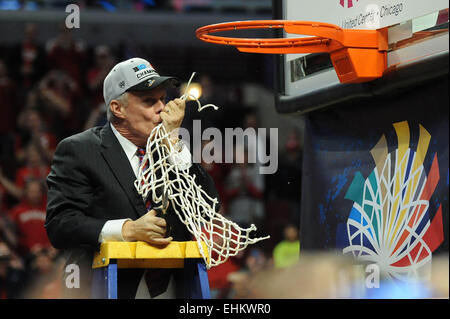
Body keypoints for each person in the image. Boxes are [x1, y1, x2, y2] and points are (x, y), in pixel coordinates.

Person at [45, 57, 219, 299]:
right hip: (102, 285)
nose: (162, 108)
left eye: (162, 99)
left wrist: (175, 147)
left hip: (170, 288)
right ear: (118, 108)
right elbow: (60, 224)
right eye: (150, 101)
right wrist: (126, 229)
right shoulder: (79, 149)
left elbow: (207, 210)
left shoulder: (172, 149)